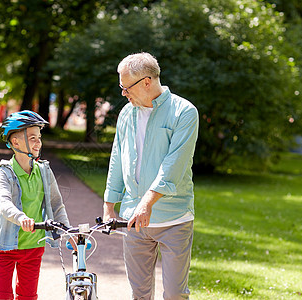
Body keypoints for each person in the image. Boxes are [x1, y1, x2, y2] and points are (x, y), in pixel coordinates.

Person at [103, 52, 199, 300]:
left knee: (176, 294)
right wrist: (109, 205)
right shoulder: (126, 114)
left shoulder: (184, 112)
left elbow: (174, 165)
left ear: (146, 81)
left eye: (126, 88)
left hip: (173, 218)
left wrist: (146, 204)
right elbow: (118, 158)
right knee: (139, 294)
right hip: (133, 221)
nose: (124, 94)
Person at [0, 110, 71, 300]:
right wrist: (21, 217)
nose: (38, 142)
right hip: (6, 246)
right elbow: (4, 201)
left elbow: (56, 203)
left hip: (34, 246)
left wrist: (67, 231)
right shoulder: (5, 171)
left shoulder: (44, 170)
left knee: (28, 297)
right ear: (16, 142)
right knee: (2, 296)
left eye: (39, 137)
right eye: (32, 138)